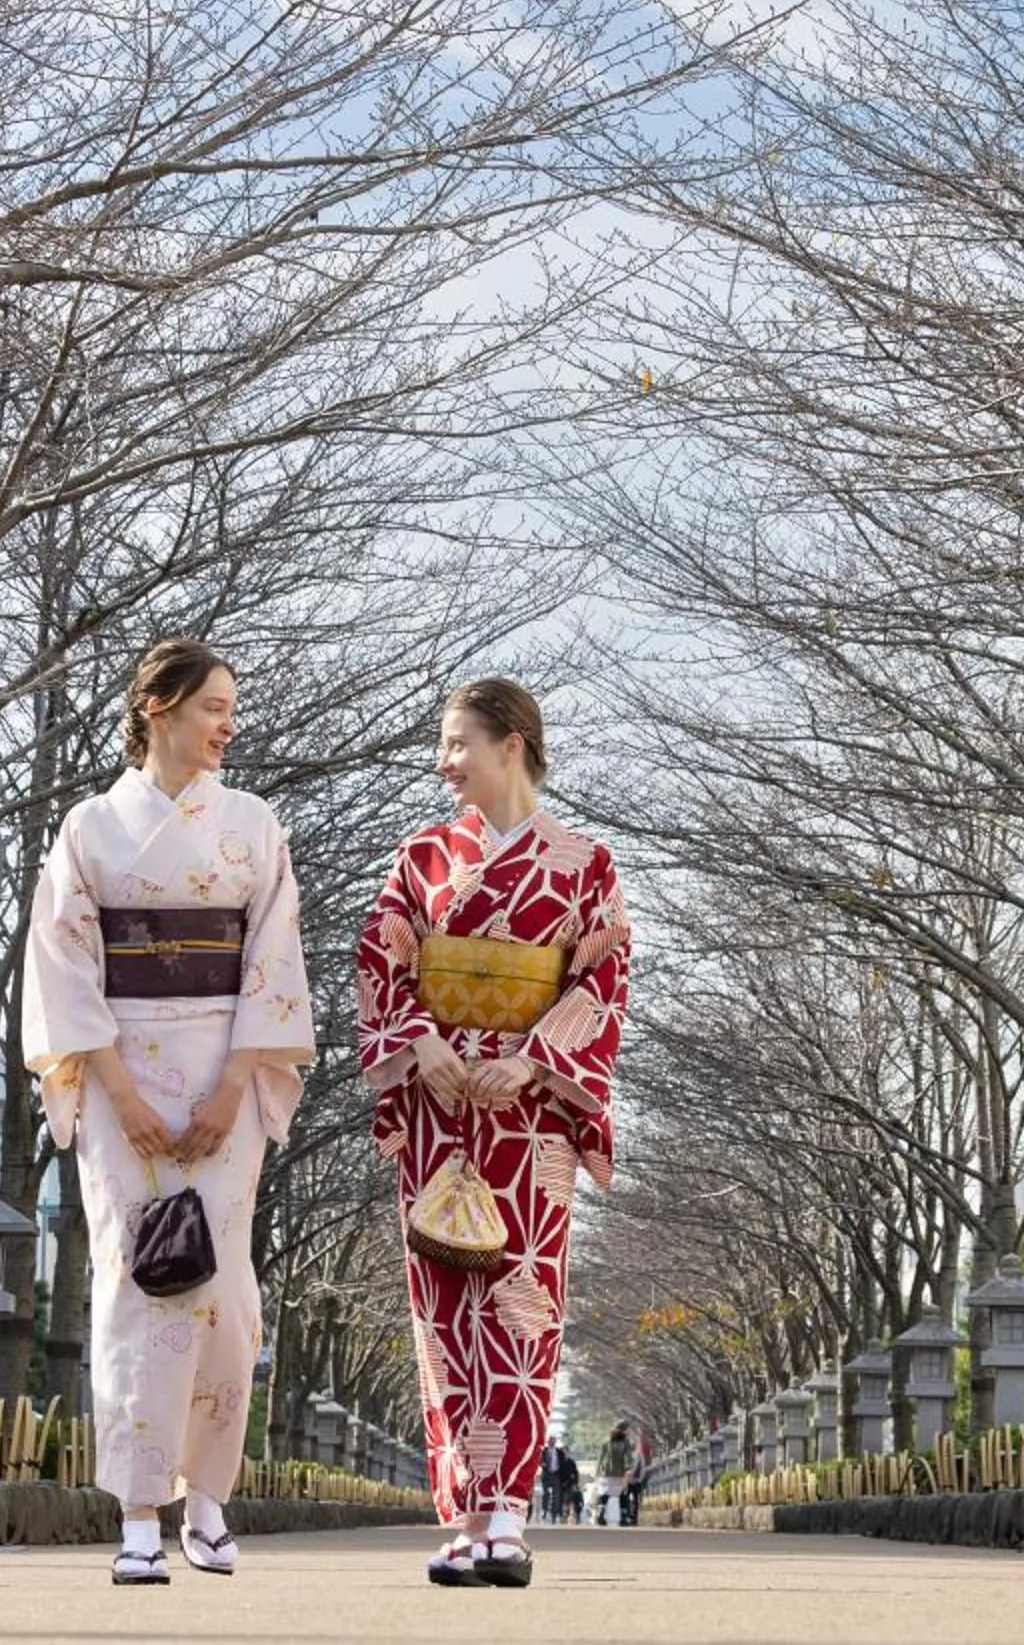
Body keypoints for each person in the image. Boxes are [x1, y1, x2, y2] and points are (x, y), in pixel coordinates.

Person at [22, 638, 316, 1588]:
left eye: (231, 708)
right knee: (135, 1278)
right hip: (121, 1078)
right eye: (211, 708)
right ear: (158, 708)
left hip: (226, 1072)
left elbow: (272, 960)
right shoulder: (89, 830)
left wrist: (234, 1085)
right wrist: (116, 1088)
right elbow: (64, 967)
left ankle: (208, 1498)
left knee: (222, 1286)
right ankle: (138, 1511)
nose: (227, 725)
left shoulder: (253, 825)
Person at [357, 678, 631, 1588]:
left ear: (511, 743)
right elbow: (383, 960)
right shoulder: (423, 857)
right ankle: (467, 1516)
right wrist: (419, 1040)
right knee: (443, 1309)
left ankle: (507, 1514)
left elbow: (601, 980)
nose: (445, 761)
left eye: (457, 742)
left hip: (531, 1118)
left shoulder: (585, 864)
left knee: (522, 1305)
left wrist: (537, 1060)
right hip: (439, 1107)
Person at [596, 1422, 635, 1525]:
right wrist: (629, 1468)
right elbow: (628, 1457)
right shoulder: (625, 1442)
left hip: (607, 1473)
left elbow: (601, 1457)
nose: (628, 1432)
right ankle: (623, 1516)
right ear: (623, 1430)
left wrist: (598, 1470)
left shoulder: (607, 1441)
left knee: (605, 1494)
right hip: (620, 1473)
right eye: (627, 1430)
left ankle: (601, 1512)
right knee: (623, 1494)